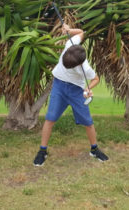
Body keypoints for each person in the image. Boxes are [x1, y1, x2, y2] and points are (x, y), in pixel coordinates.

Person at [33, 23, 108, 166]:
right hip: (59, 86)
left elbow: (96, 79)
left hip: (76, 91)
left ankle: (94, 149)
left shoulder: (85, 68)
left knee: (88, 122)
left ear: (78, 64)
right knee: (50, 118)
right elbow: (81, 32)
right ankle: (42, 151)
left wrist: (87, 88)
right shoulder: (70, 44)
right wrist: (69, 30)